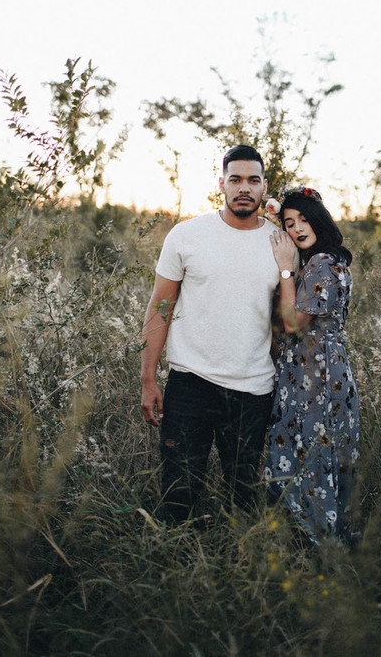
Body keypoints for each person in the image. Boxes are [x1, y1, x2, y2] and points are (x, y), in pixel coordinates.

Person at [140, 145, 280, 523]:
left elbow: (286, 323)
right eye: (235, 179)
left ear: (265, 187)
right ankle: (175, 565)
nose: (244, 188)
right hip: (191, 385)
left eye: (253, 180)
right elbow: (160, 308)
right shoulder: (187, 235)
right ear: (222, 184)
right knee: (178, 494)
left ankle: (239, 568)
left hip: (253, 389)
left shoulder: (281, 244)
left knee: (243, 496)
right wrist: (148, 378)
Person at [264, 185, 359, 545]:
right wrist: (274, 206)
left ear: (320, 220)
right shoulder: (324, 260)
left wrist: (286, 270)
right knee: (310, 449)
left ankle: (314, 541)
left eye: (305, 219)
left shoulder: (323, 264)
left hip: (317, 373)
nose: (297, 228)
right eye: (289, 223)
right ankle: (309, 539)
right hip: (309, 368)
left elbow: (292, 322)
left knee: (311, 450)